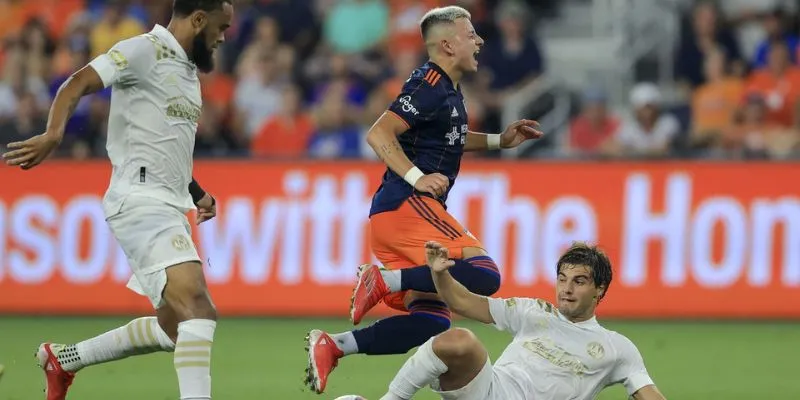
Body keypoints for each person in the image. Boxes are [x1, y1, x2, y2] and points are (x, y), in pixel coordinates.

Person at [304, 5, 543, 394]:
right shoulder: (428, 83)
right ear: (447, 45)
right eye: (471, 34)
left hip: (396, 215)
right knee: (484, 272)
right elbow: (379, 133)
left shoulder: (447, 89)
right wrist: (417, 177)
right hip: (407, 204)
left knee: (432, 319)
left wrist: (500, 141)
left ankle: (335, 345)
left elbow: (450, 137)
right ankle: (384, 279)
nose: (480, 41)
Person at [2, 1, 233, 399]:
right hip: (139, 202)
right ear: (198, 20)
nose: (223, 37)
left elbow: (163, 146)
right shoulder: (143, 50)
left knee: (175, 329)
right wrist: (54, 133)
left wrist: (197, 193)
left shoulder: (187, 71)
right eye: (221, 27)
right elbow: (78, 81)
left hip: (168, 205)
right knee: (198, 307)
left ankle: (64, 359)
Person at [378, 241, 667, 400]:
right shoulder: (533, 311)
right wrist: (439, 274)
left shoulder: (617, 348)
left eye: (579, 282)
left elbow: (648, 394)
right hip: (492, 393)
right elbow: (463, 301)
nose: (566, 289)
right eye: (562, 279)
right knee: (459, 341)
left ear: (599, 289)